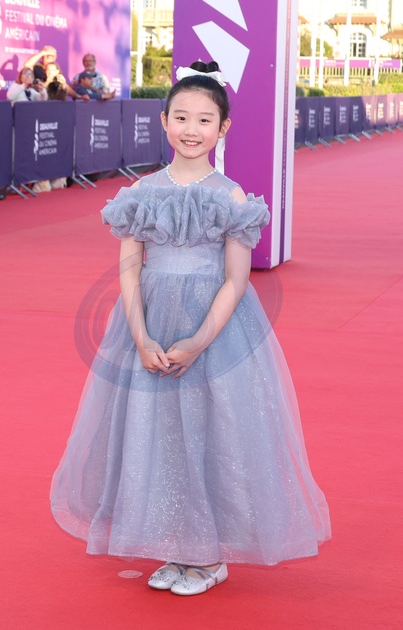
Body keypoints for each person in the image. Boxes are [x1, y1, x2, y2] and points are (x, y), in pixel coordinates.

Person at [50, 60, 331, 597]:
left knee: (214, 432)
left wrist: (200, 340)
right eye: (181, 117)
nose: (191, 129)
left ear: (223, 128)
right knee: (156, 432)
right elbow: (129, 271)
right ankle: (178, 546)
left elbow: (236, 280)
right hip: (148, 324)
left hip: (216, 331)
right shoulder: (139, 192)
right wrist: (140, 337)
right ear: (163, 121)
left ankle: (209, 556)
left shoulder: (232, 197)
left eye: (205, 120)